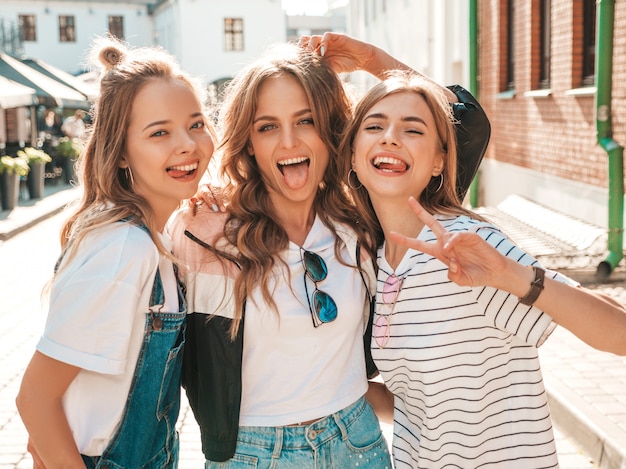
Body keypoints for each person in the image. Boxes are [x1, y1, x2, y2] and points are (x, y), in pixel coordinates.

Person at [168, 33, 490, 467]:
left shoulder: (365, 219)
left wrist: (374, 61)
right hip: (250, 454)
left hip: (357, 443)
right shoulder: (206, 231)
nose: (289, 142)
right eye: (267, 127)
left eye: (306, 120)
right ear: (248, 141)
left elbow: (461, 127)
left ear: (333, 130)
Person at [339, 70, 626, 468]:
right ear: (353, 153)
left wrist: (509, 274)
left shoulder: (467, 241)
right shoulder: (374, 261)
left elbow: (619, 333)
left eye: (414, 130)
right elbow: (412, 402)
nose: (390, 137)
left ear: (440, 161)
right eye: (374, 125)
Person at [15, 36, 214, 468]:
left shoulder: (154, 241)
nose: (188, 144)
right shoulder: (124, 248)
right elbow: (35, 399)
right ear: (122, 152)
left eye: (196, 123)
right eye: (159, 132)